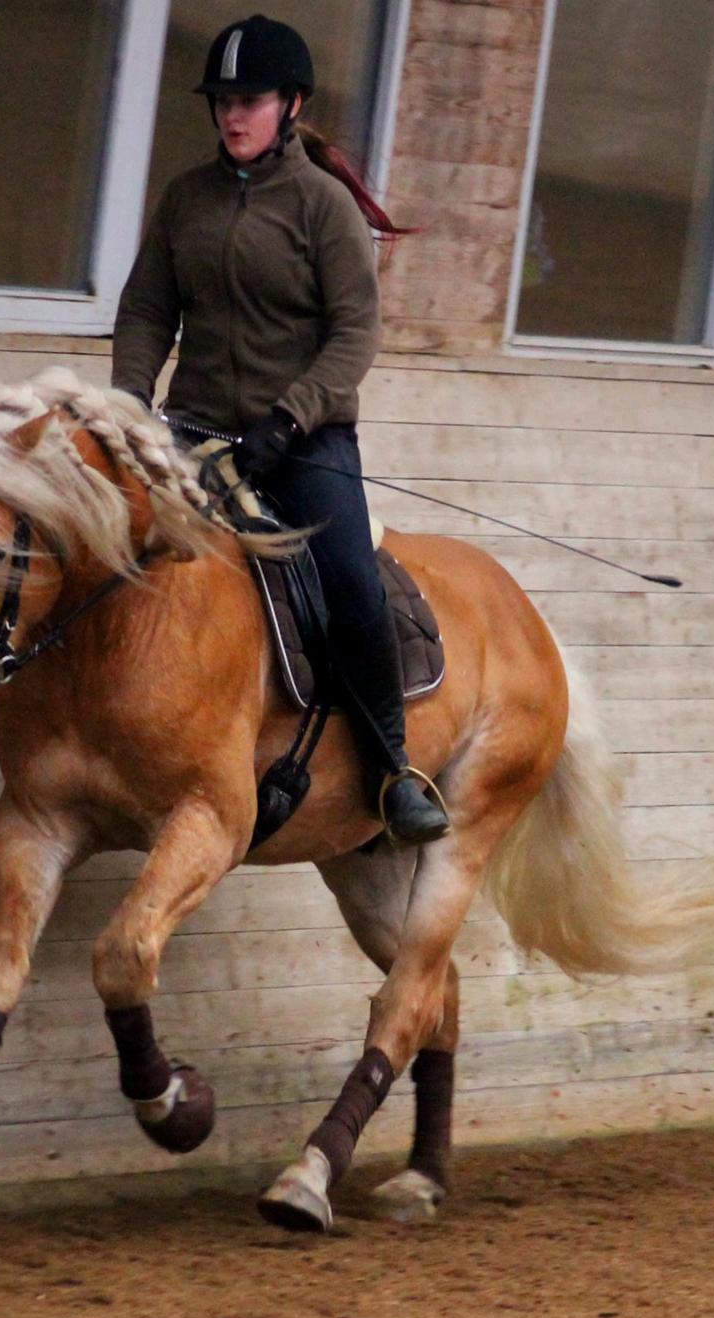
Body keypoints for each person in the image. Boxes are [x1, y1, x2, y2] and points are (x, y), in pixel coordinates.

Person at [112, 13, 448, 843]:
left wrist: (290, 417)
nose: (233, 113)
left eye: (251, 99)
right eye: (223, 100)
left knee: (351, 586)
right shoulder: (185, 199)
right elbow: (148, 310)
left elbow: (354, 337)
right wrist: (125, 407)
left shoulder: (324, 208)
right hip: (193, 434)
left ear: (292, 103)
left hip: (303, 440)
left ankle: (393, 767)